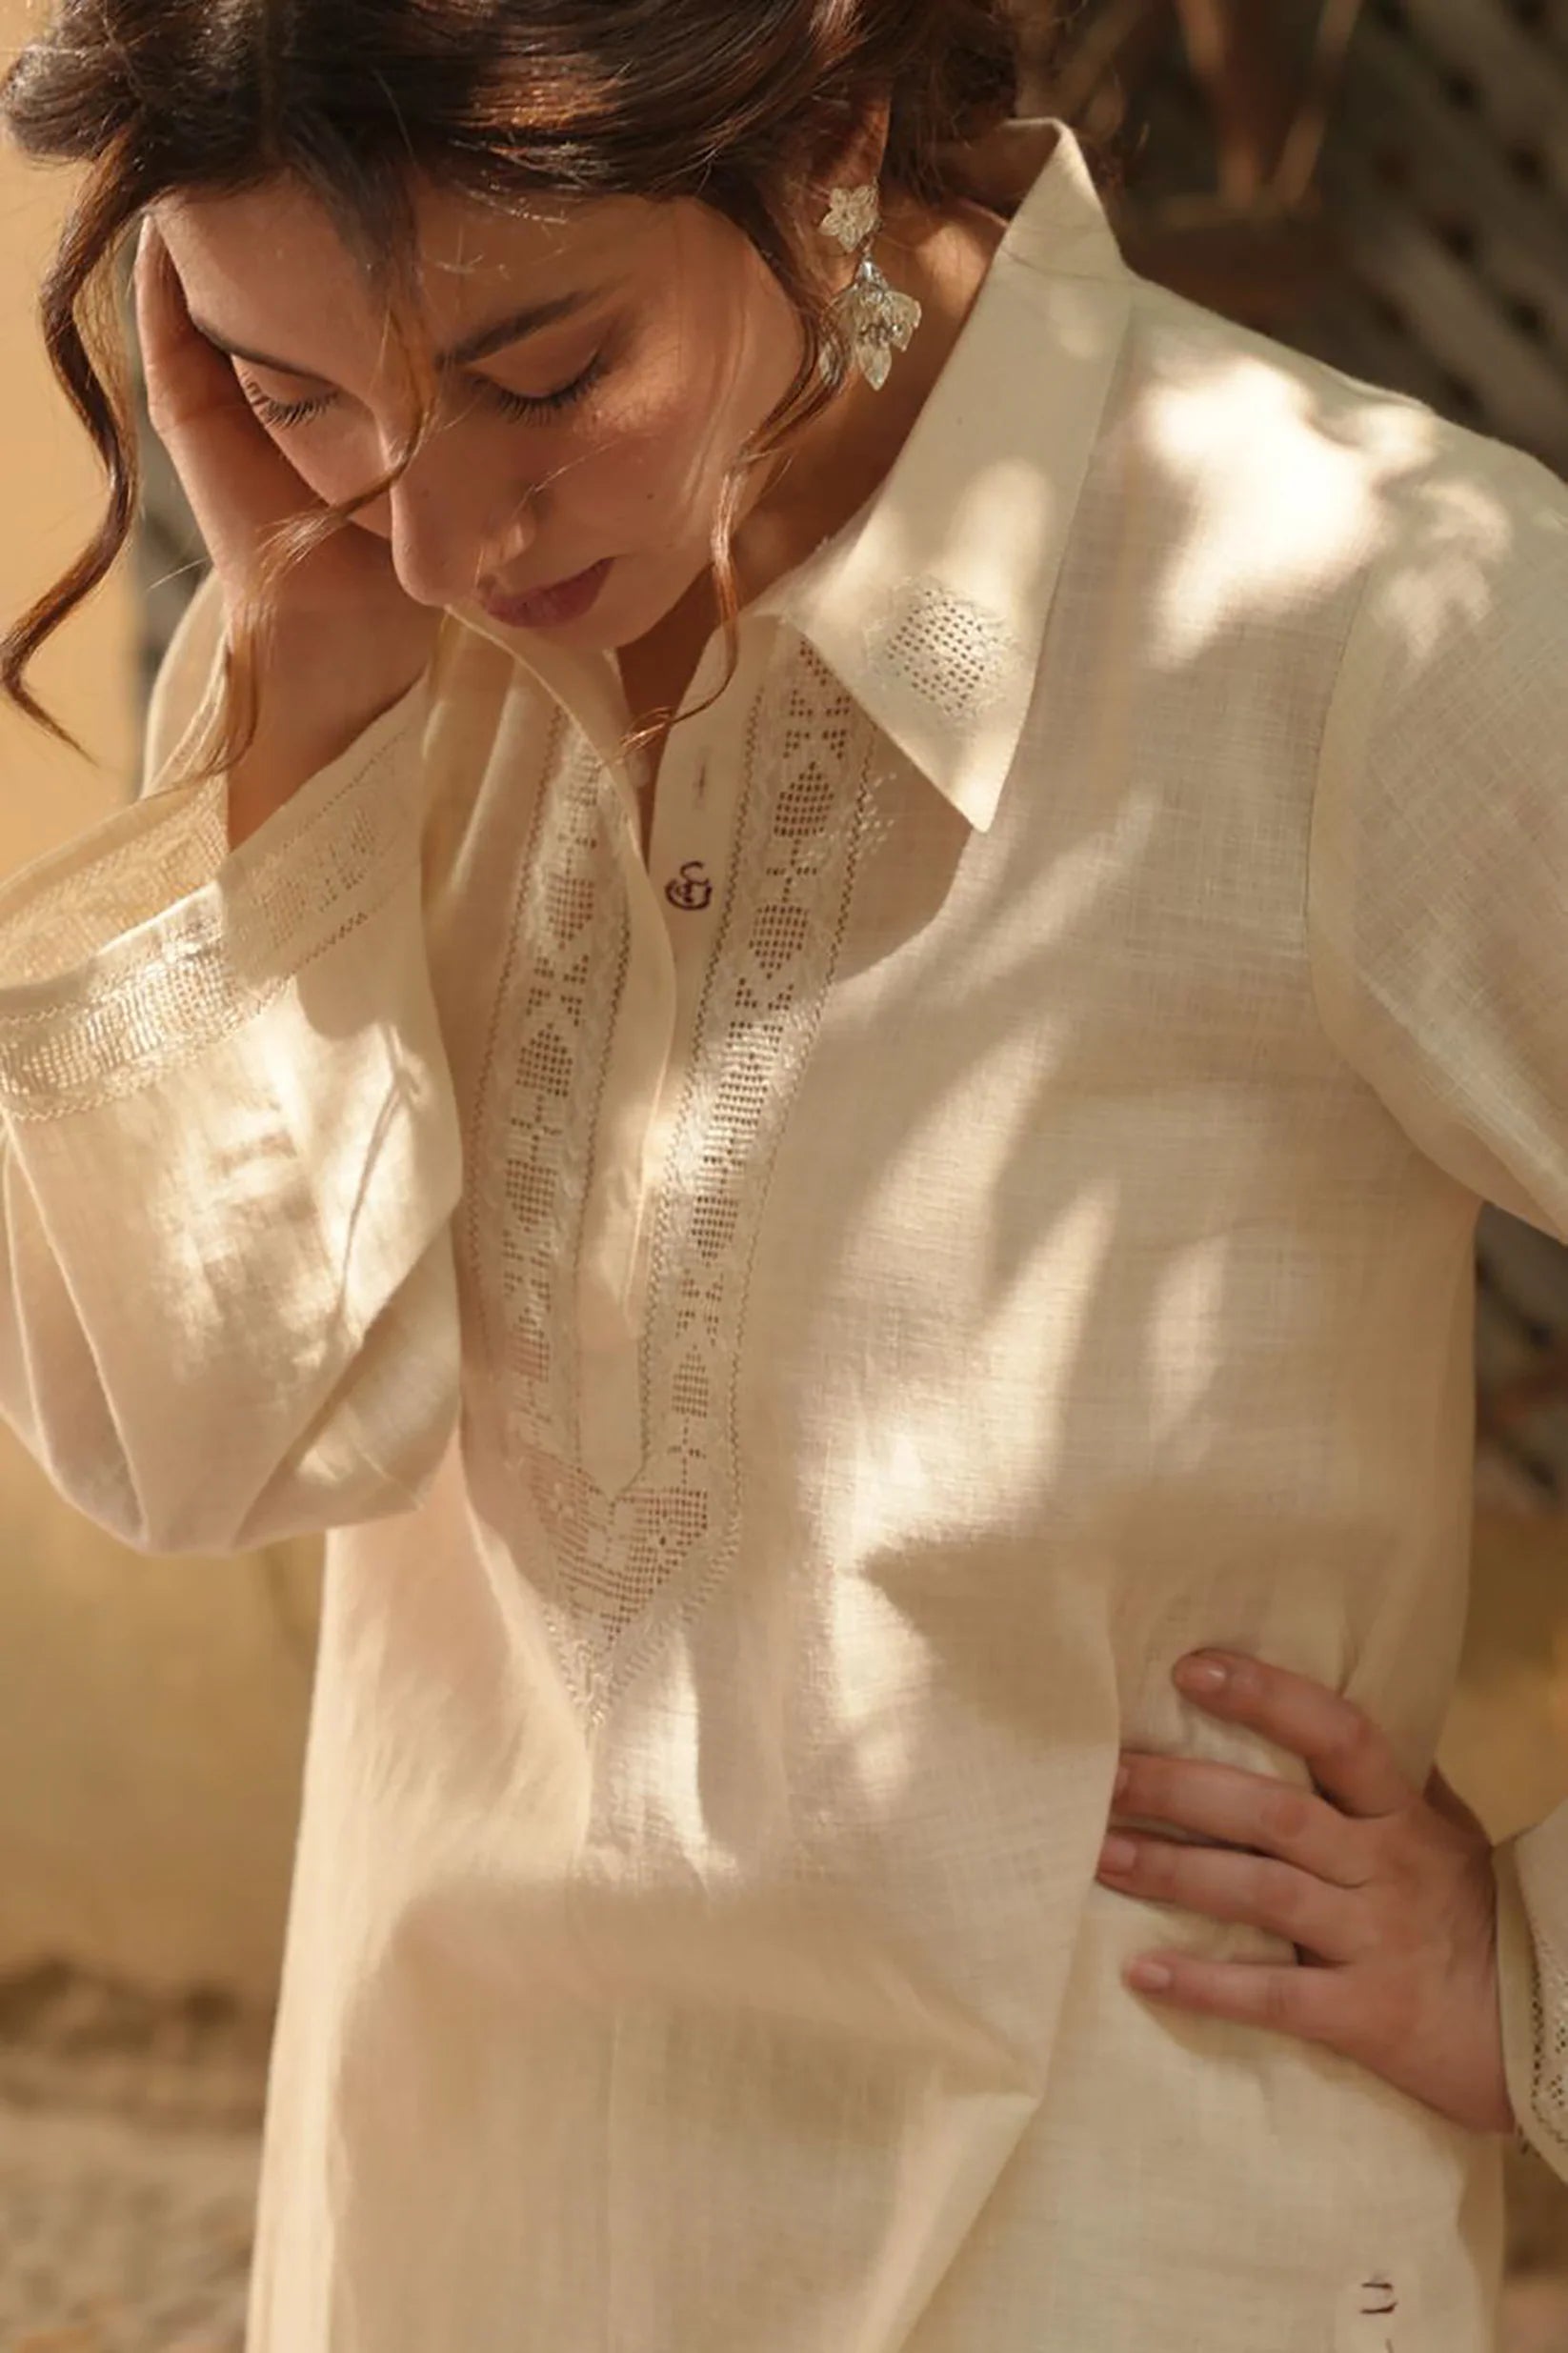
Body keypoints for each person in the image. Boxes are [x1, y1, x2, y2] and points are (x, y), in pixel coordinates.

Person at [0, 1, 1564, 2344]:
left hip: (1117, 2257)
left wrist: (1526, 1972)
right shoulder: (356, 621)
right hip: (453, 2242)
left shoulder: (1350, 609)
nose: (438, 530)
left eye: (543, 376)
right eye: (294, 389)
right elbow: (200, 1437)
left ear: (831, 121)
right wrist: (301, 707)